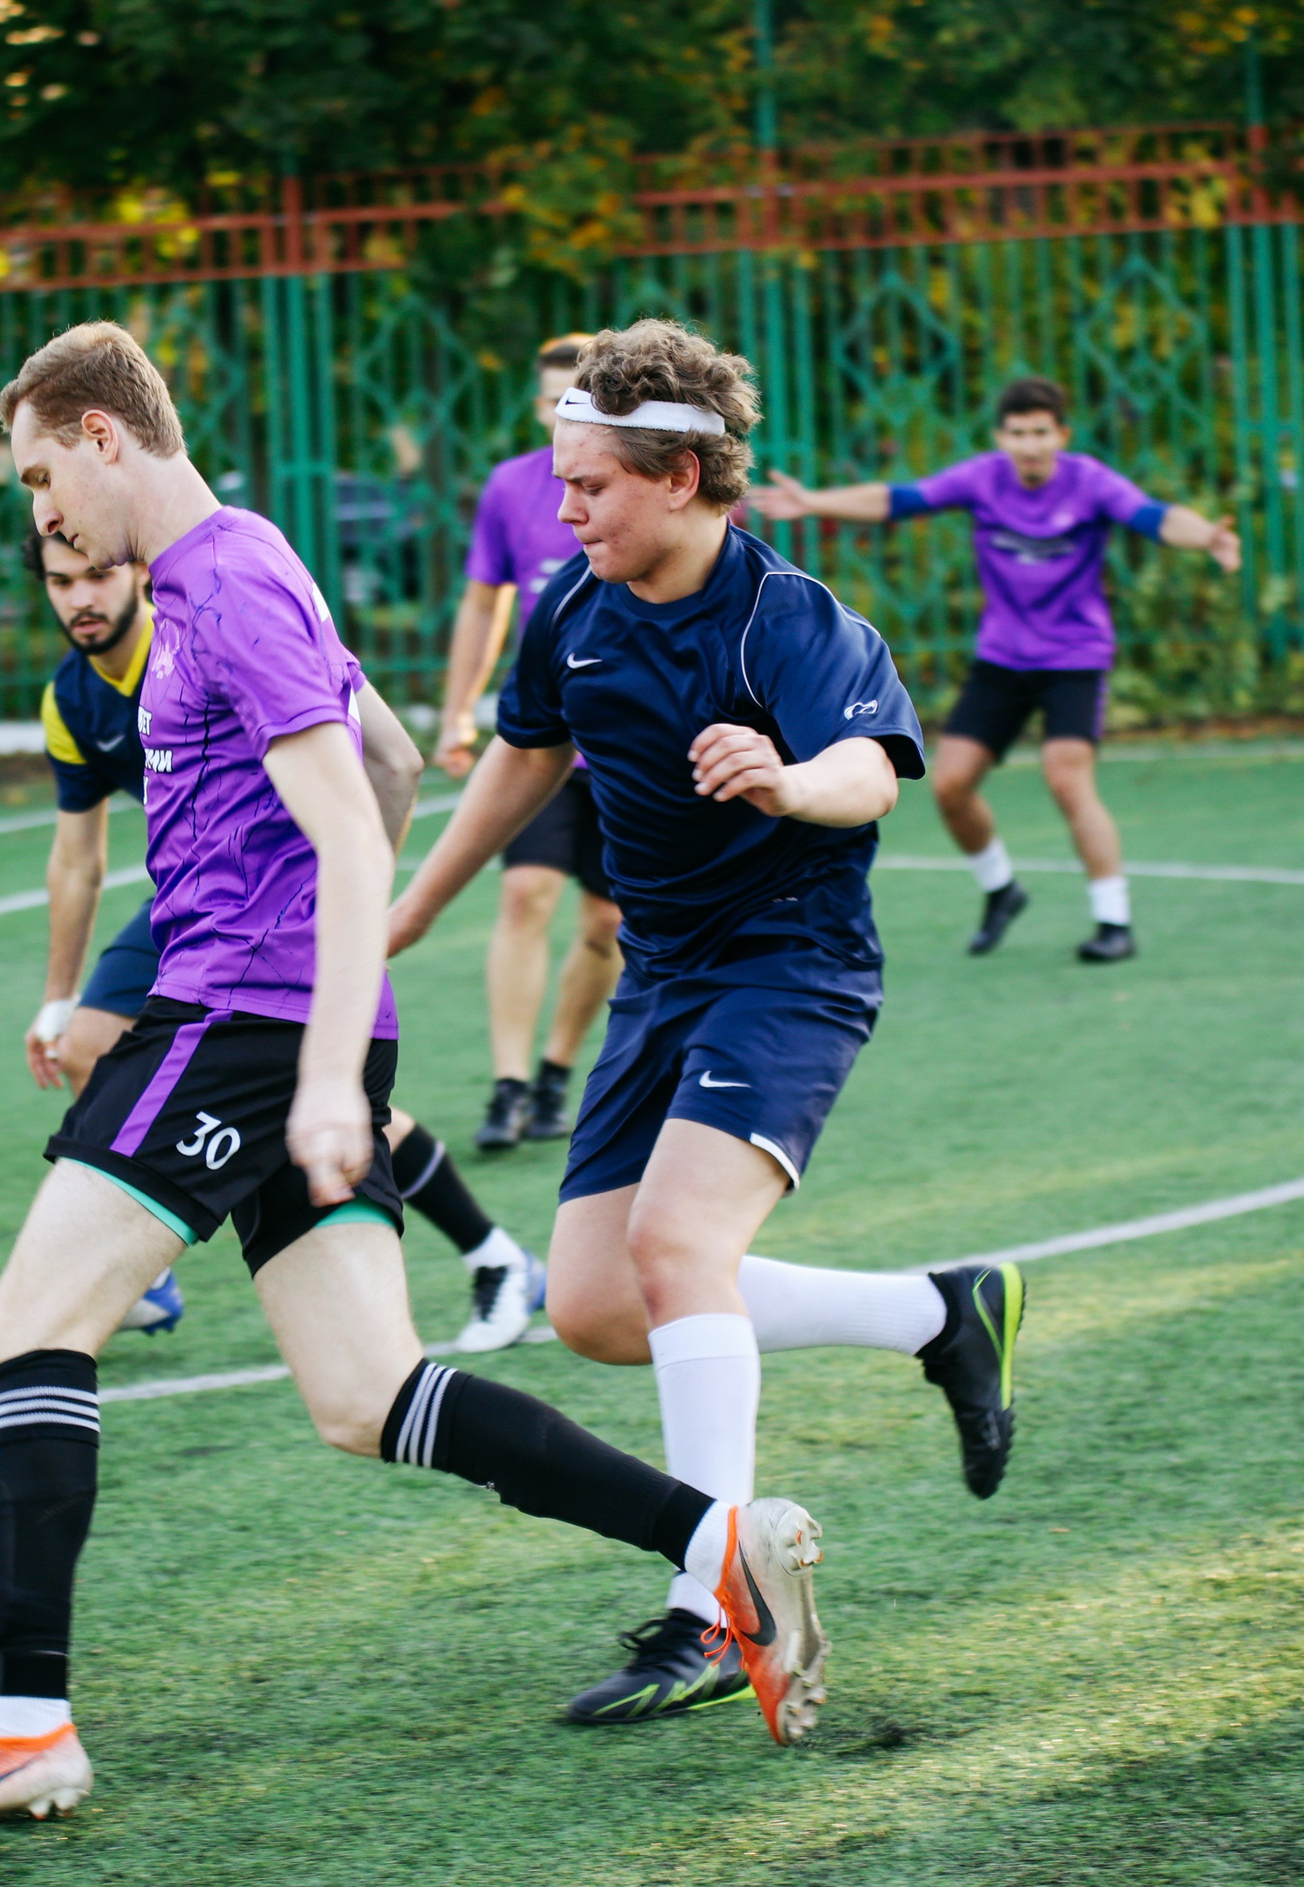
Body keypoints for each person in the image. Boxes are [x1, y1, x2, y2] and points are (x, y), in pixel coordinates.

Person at [0, 323, 817, 1839]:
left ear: (109, 438)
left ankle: (24, 1728)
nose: (40, 513)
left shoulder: (218, 582)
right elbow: (390, 755)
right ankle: (720, 1549)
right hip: (284, 1020)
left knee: (33, 1322)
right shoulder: (240, 566)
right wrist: (332, 1025)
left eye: (43, 473)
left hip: (231, 1023)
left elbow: (359, 828)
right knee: (368, 1397)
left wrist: (314, 1063)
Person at [390, 320, 1029, 1727]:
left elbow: (871, 769)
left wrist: (787, 778)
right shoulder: (572, 605)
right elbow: (523, 757)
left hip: (789, 964)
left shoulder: (783, 615)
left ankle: (712, 1602)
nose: (565, 511)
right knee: (601, 1305)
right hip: (664, 978)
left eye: (592, 487)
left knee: (681, 1248)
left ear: (679, 476)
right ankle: (942, 1313)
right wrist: (414, 908)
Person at [20, 525, 546, 1350]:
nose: (81, 598)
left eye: (94, 576)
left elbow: (388, 759)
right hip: (194, 908)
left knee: (321, 1098)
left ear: (133, 575)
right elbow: (75, 860)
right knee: (90, 1039)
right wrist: (55, 997)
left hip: (269, 911)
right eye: (60, 582)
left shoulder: (206, 629)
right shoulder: (70, 700)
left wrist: (347, 911)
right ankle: (147, 1279)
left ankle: (494, 1254)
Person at [749, 377, 1241, 964]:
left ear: (1061, 435)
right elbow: (901, 500)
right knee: (951, 785)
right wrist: (813, 502)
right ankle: (1002, 889)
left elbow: (1154, 517)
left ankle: (1114, 920)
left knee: (1066, 777)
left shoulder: (1089, 482)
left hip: (1074, 658)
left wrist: (1208, 535)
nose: (1028, 445)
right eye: (1017, 433)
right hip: (1002, 658)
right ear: (1001, 437)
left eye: (1040, 433)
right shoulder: (984, 478)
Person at [435, 335, 623, 1153]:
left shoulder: (640, 479)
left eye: (571, 400)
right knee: (523, 897)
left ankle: (556, 1070)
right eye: (547, 400)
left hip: (628, 748)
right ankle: (509, 1086)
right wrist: (457, 713)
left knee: (609, 924)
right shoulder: (512, 489)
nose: (557, 412)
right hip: (544, 742)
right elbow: (485, 606)